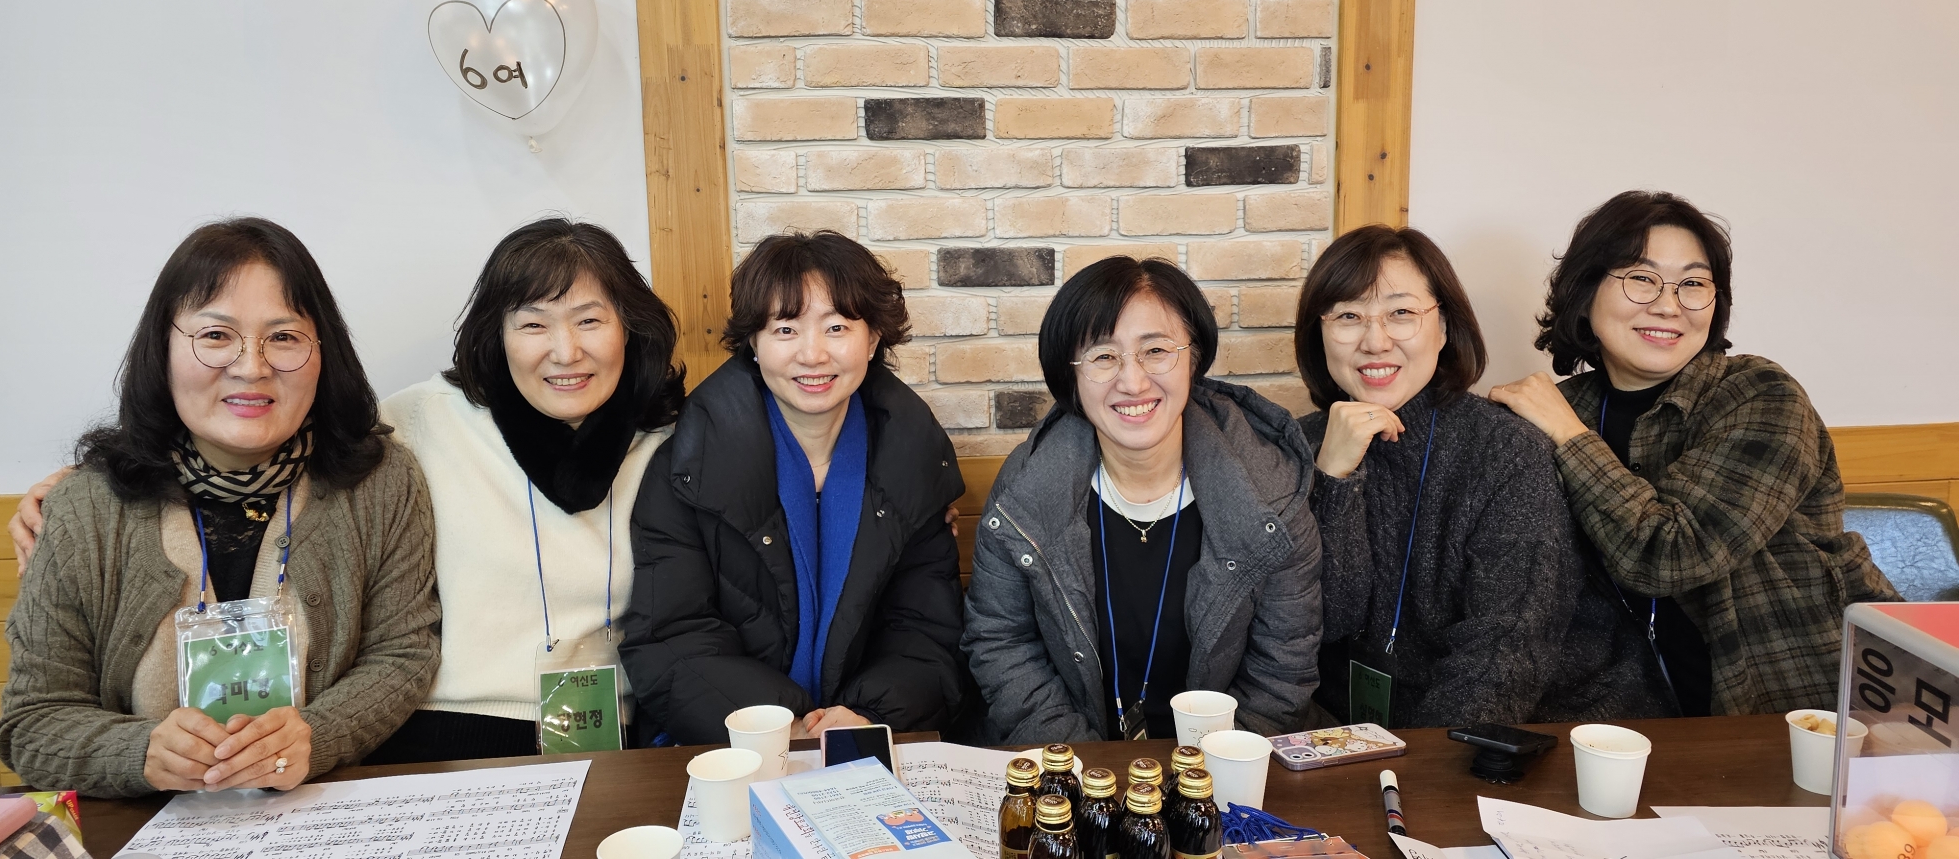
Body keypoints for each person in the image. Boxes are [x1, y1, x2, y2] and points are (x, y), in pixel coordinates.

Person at [0, 219, 439, 797]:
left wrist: (317, 735)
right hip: (146, 827)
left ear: (322, 352)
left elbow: (403, 654)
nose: (251, 366)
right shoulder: (86, 506)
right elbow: (33, 721)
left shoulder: (379, 482)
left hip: (324, 813)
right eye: (215, 335)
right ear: (163, 348)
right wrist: (140, 752)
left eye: (284, 337)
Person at [1491, 190, 1901, 716]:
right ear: (1586, 292)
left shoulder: (1759, 392)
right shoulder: (1558, 409)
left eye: (1693, 283)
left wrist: (1569, 436)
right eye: (1642, 278)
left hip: (1820, 709)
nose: (1669, 305)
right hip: (1632, 716)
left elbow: (1672, 555)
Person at [1294, 226, 1668, 729]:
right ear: (1319, 333)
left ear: (1444, 328)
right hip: (1364, 737)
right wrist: (1333, 479)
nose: (1375, 341)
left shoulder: (1506, 450)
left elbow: (1504, 654)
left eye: (1402, 313)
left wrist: (1423, 763)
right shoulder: (1296, 446)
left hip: (1551, 726)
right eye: (1348, 316)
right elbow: (1322, 623)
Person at [621, 230, 967, 744]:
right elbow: (672, 636)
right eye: (785, 329)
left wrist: (867, 716)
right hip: (734, 742)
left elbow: (926, 631)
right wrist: (784, 725)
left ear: (873, 340)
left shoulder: (913, 457)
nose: (812, 354)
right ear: (754, 344)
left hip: (863, 734)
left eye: (836, 327)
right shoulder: (690, 464)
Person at [363, 219, 686, 762]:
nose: (566, 352)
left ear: (630, 328)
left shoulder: (670, 441)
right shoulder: (418, 422)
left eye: (589, 321)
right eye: (534, 324)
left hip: (613, 739)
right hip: (445, 738)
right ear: (498, 335)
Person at [963, 256, 1322, 744]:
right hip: (1074, 767)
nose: (1132, 382)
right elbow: (1001, 644)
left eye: (1156, 351)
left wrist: (1202, 773)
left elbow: (1282, 671)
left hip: (1218, 767)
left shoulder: (1270, 494)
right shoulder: (1024, 493)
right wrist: (1085, 768)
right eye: (1103, 357)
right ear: (1071, 377)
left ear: (1193, 358)